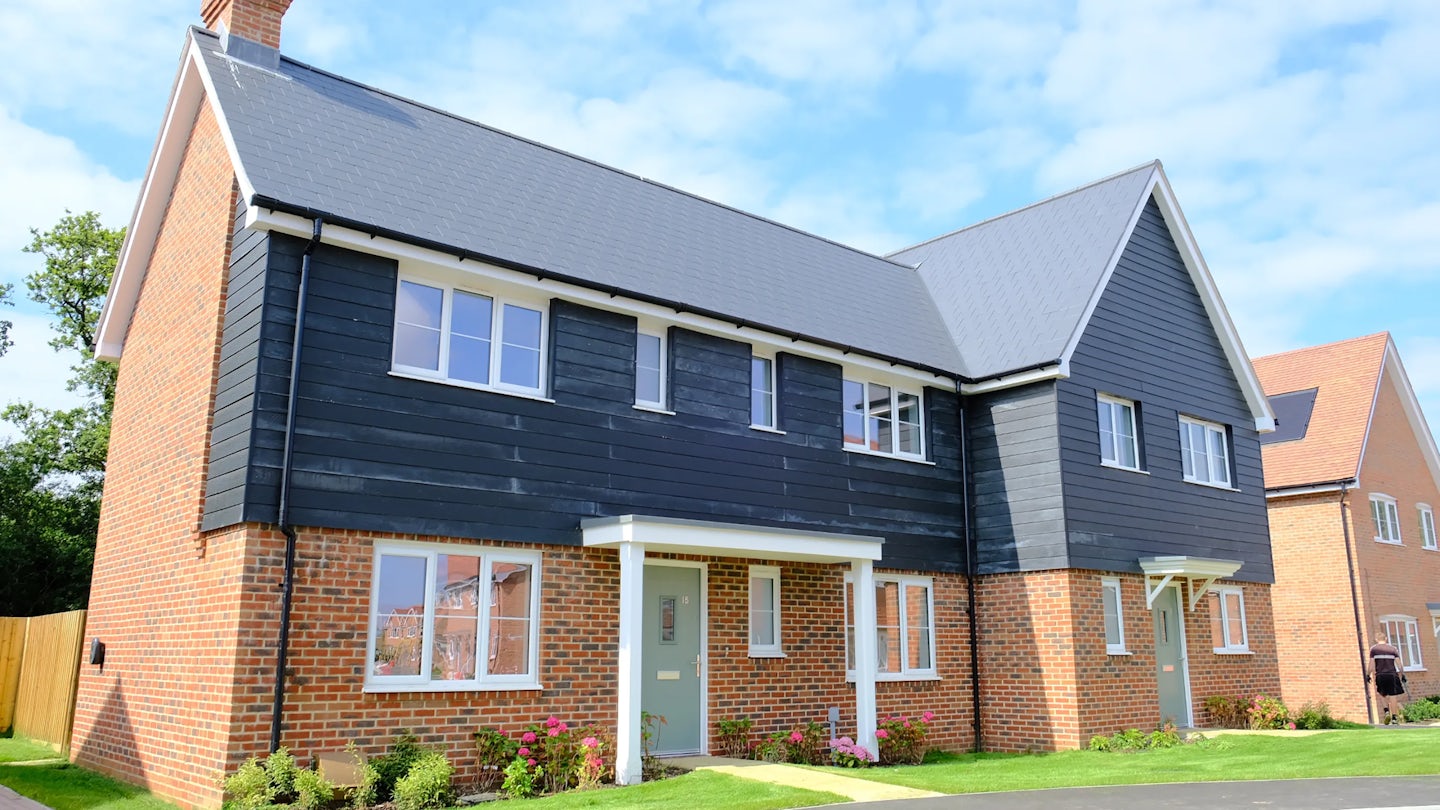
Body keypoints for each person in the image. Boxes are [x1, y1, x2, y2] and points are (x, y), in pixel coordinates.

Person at [1368, 632, 1406, 724]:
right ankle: (1394, 717)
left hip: (1380, 675)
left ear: (1376, 640)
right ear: (1386, 639)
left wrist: (1367, 674)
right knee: (1393, 696)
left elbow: (1372, 664)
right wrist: (1403, 674)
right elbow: (1399, 663)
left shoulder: (1373, 649)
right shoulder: (1393, 649)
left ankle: (1386, 711)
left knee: (1381, 693)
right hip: (1392, 675)